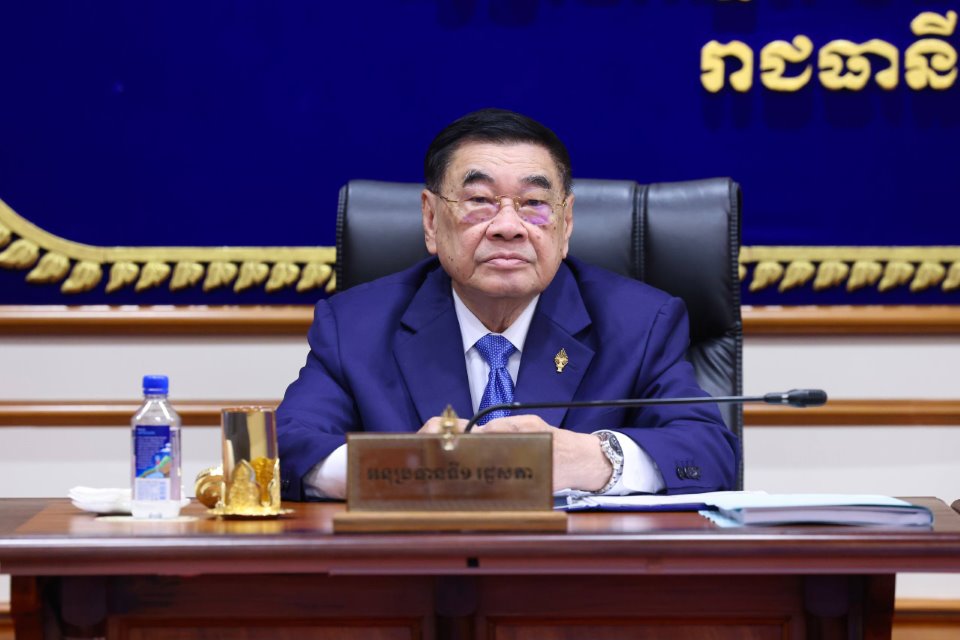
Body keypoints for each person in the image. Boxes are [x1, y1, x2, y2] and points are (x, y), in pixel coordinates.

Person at [277, 108, 739, 501]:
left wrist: (593, 459)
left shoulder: (639, 323)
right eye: (479, 200)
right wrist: (395, 466)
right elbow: (283, 448)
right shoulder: (354, 326)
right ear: (431, 219)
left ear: (566, 223)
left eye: (534, 203)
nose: (508, 226)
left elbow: (708, 453)